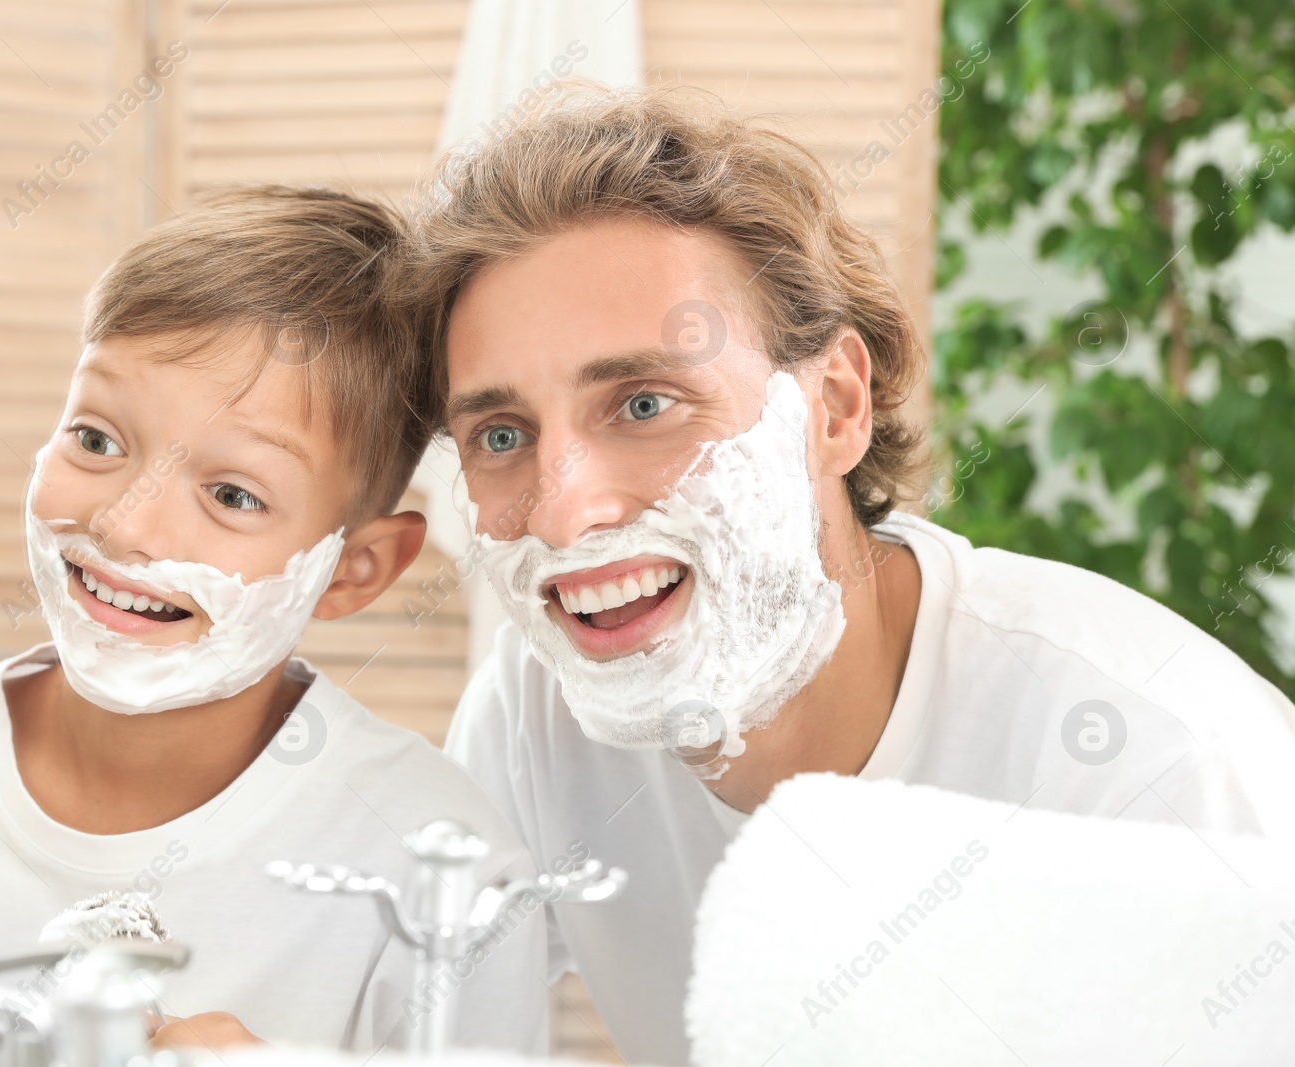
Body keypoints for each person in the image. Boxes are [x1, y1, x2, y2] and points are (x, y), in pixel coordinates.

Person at [410, 86, 1295, 1066]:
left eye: (646, 403)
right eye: (499, 434)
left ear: (834, 406)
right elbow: (424, 1027)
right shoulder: (534, 720)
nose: (565, 510)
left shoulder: (1154, 761)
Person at [0, 186, 546, 1063]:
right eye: (97, 438)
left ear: (354, 569)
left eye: (233, 495)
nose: (125, 524)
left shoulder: (436, 864)